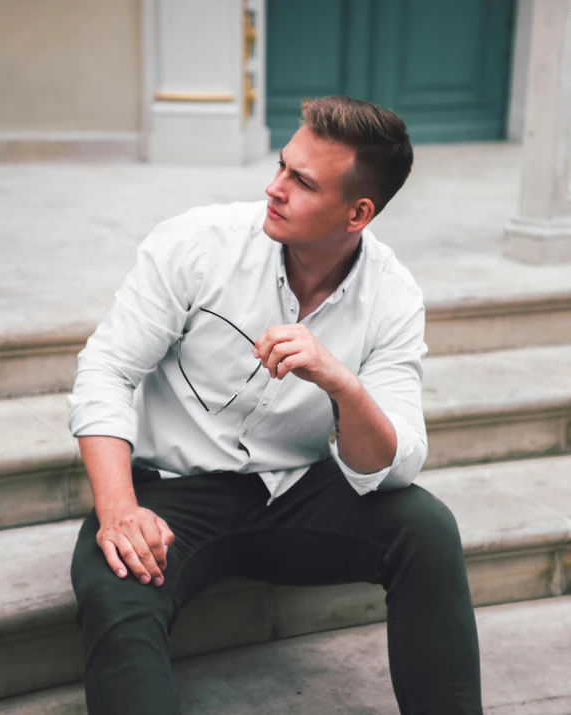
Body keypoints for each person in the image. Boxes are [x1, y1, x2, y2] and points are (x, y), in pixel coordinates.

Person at [68, 95, 483, 714]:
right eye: (283, 166)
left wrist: (341, 384)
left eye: (301, 181)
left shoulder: (392, 298)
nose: (274, 187)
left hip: (294, 491)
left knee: (425, 528)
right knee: (116, 582)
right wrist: (120, 507)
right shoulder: (198, 244)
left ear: (357, 212)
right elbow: (106, 368)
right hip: (171, 495)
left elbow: (393, 465)